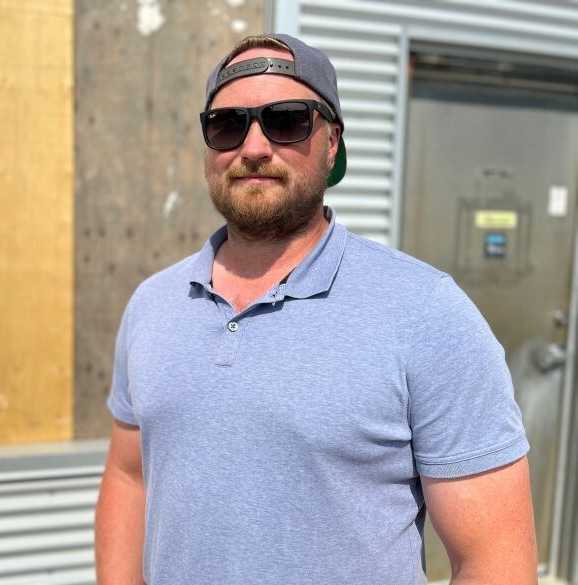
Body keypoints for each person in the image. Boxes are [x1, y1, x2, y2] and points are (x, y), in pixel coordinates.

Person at [95, 33, 537, 585]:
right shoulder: (153, 305)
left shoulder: (426, 312)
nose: (253, 147)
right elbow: (129, 475)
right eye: (228, 125)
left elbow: (494, 562)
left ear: (332, 144)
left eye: (286, 120)